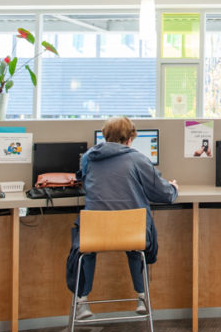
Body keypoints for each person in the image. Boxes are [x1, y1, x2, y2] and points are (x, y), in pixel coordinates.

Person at [66, 116, 179, 320]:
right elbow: (162, 194)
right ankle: (142, 297)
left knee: (88, 247)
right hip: (131, 234)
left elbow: (84, 180)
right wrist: (173, 188)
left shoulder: (88, 158)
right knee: (136, 245)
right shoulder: (137, 159)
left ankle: (82, 302)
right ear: (130, 139)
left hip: (95, 233)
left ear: (105, 136)